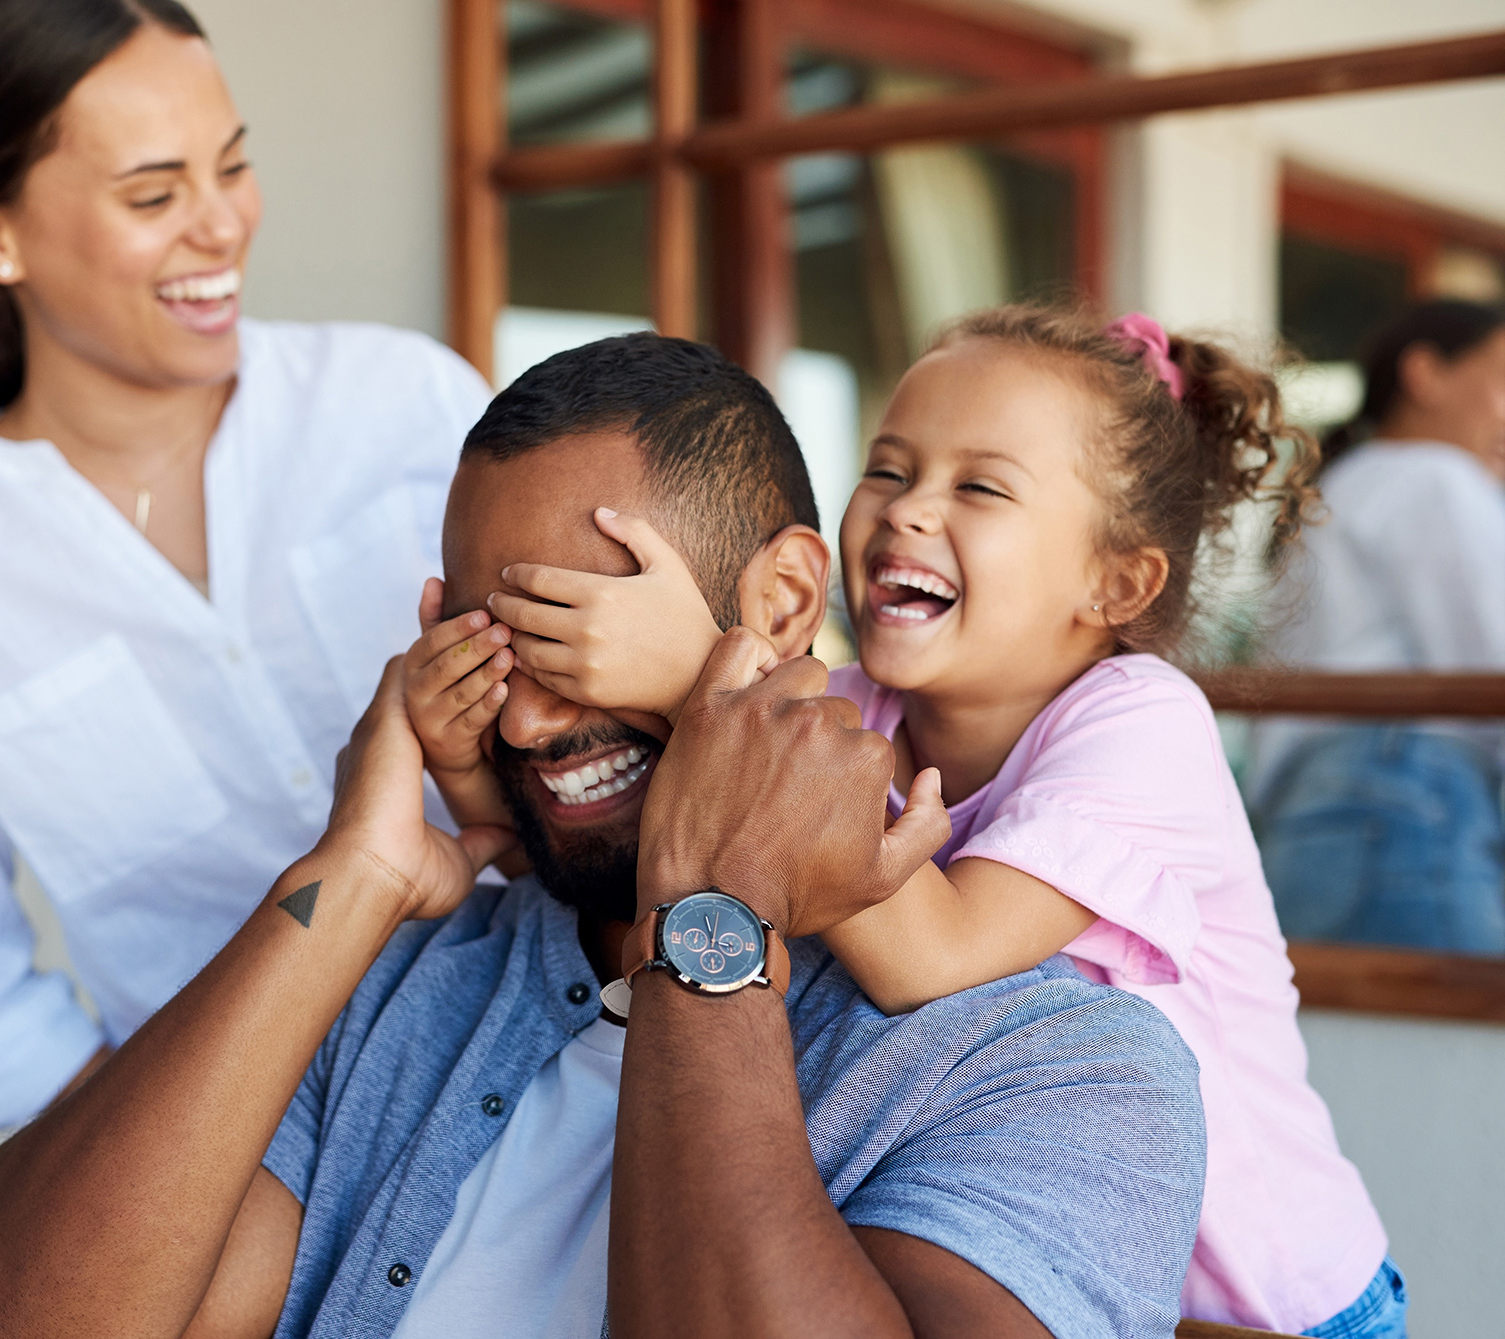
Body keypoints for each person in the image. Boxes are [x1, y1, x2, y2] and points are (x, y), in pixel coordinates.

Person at [0, 335, 1207, 1339]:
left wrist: (712, 914)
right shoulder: (393, 985)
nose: (528, 719)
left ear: (780, 602)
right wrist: (347, 880)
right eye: (487, 648)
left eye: (572, 638)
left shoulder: (1058, 1068)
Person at [468, 315, 1400, 1335]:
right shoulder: (851, 709)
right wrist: (471, 777)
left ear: (1114, 583)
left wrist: (697, 675)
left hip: (1282, 1304)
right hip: (1036, 1256)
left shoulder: (1143, 725)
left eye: (979, 487)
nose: (908, 509)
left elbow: (932, 955)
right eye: (888, 468)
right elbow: (659, 827)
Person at [0, 0, 491, 1126]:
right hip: (243, 1165)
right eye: (153, 195)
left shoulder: (405, 405)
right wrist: (189, 1171)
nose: (221, 225)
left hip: (565, 1071)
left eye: (232, 167)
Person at [1248, 299, 1505, 953]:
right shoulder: (1436, 475)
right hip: (1407, 798)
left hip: (1309, 813)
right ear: (1426, 373)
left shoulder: (1342, 485)